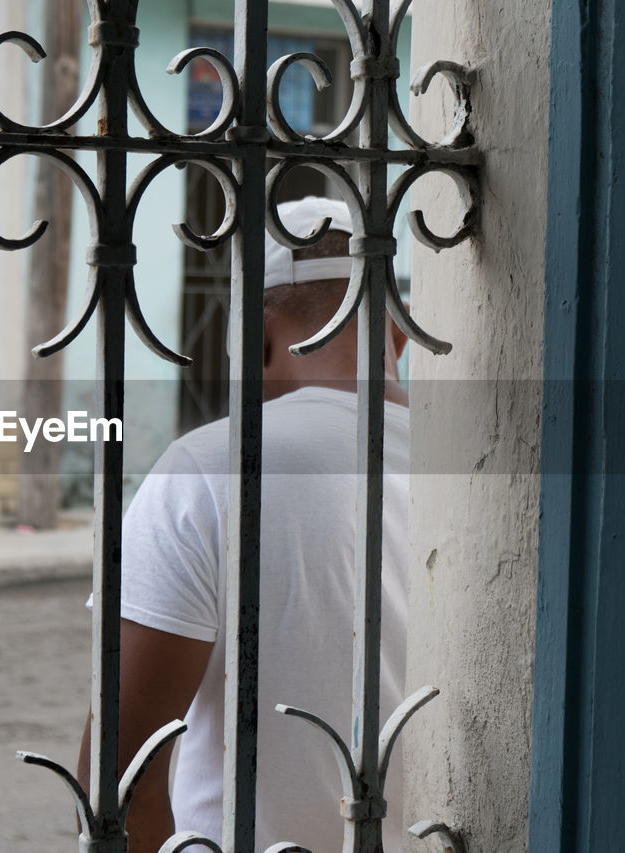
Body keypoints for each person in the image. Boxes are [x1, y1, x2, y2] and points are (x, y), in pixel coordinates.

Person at [76, 197, 410, 853]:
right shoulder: (484, 474)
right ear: (398, 334)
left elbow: (117, 777)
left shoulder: (212, 469)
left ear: (253, 342)